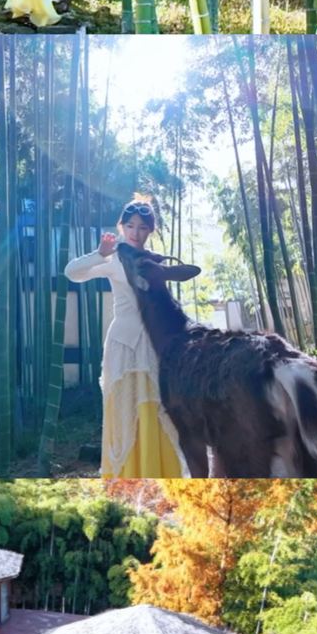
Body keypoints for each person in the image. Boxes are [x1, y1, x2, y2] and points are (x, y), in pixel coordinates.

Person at [64, 197, 195, 478]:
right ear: (121, 227)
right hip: (123, 345)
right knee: (124, 409)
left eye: (143, 227)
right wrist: (100, 253)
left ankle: (161, 475)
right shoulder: (113, 259)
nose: (136, 232)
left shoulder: (154, 261)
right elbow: (72, 273)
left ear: (151, 231)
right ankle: (128, 478)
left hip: (154, 344)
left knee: (158, 408)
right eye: (131, 225)